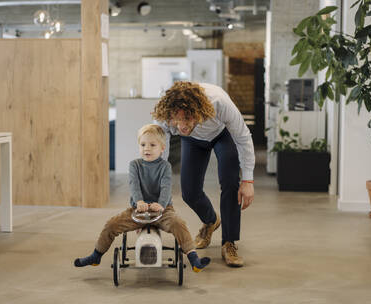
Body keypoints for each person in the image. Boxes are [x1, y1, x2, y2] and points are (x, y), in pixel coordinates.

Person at [74, 124, 210, 272]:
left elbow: (166, 187)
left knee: (179, 224)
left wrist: (161, 204)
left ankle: (193, 258)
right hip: (138, 209)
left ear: (162, 148)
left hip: (162, 210)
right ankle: (96, 255)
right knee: (111, 224)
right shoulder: (135, 165)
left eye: (152, 145)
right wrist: (139, 201)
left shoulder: (165, 166)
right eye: (143, 144)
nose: (147, 148)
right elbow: (134, 185)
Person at [152, 81, 255, 267]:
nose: (182, 126)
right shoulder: (167, 113)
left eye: (187, 119)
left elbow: (243, 137)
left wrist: (248, 180)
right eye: (178, 120)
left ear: (199, 112)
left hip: (222, 136)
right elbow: (159, 144)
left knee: (231, 184)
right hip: (192, 140)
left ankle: (229, 243)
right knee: (189, 192)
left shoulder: (219, 102)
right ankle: (211, 221)